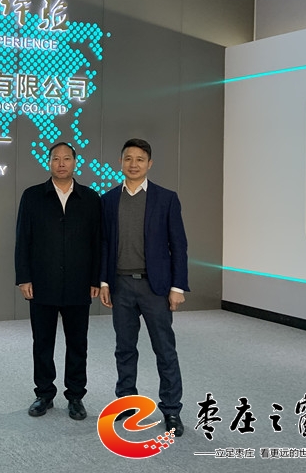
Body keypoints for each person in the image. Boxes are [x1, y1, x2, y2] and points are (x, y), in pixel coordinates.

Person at [99, 138, 190, 436]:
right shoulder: (109, 199)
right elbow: (104, 244)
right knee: (124, 349)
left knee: (164, 349)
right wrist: (104, 282)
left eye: (140, 159)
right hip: (121, 285)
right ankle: (126, 403)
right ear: (120, 162)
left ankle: (171, 410)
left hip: (156, 287)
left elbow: (178, 245)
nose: (133, 164)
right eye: (128, 158)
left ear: (149, 164)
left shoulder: (166, 198)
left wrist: (177, 287)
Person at [15, 142, 102, 420]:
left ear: (75, 162)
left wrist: (96, 278)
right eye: (56, 159)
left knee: (78, 343)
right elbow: (22, 239)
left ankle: (75, 396)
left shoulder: (90, 198)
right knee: (42, 342)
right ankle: (44, 394)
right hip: (42, 282)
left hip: (79, 282)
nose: (61, 163)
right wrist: (24, 277)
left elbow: (97, 242)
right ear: (49, 162)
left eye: (66, 158)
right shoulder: (32, 196)